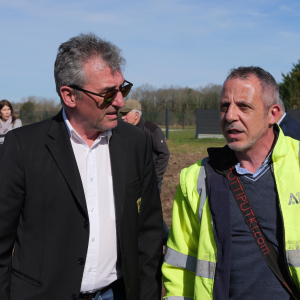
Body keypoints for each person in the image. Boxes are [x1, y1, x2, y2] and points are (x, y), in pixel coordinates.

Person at [0, 33, 163, 300]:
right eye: (108, 93)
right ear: (69, 95)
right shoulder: (23, 146)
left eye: (123, 89)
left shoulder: (135, 142)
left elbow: (149, 233)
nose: (120, 102)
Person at [162, 66, 300, 300]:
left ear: (273, 114)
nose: (229, 116)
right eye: (224, 106)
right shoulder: (196, 178)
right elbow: (180, 267)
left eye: (243, 106)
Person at [120, 99, 170, 244]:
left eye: (125, 114)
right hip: (132, 180)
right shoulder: (124, 131)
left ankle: (166, 239)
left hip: (151, 181)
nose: (122, 117)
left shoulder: (152, 130)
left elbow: (164, 154)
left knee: (149, 211)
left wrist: (154, 177)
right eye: (121, 114)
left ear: (136, 115)